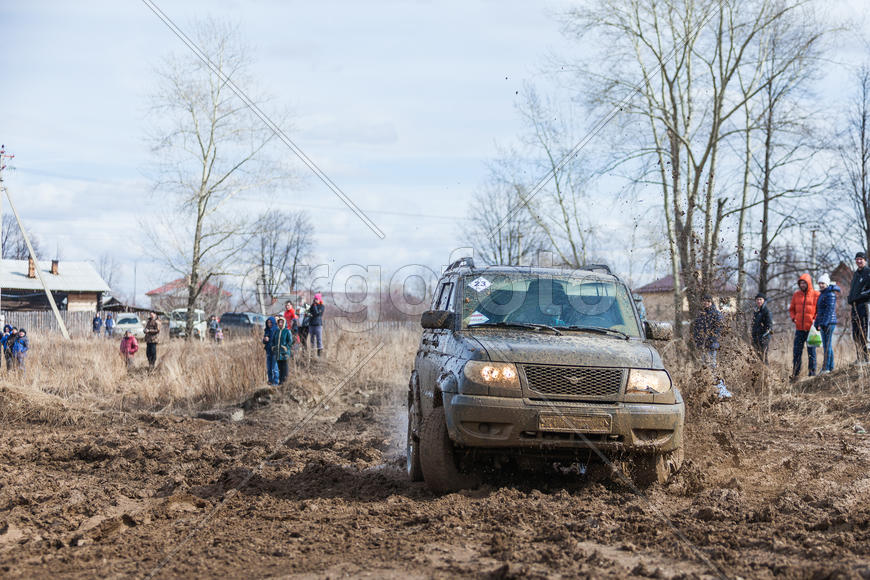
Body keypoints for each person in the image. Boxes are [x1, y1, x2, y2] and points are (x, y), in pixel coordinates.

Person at [789, 273, 819, 379]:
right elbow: (791, 309)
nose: (802, 285)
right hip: (799, 329)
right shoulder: (796, 295)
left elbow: (819, 310)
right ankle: (795, 374)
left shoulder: (816, 294)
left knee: (811, 352)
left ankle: (812, 374)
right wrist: (794, 318)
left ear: (808, 283)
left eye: (804, 283)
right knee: (796, 352)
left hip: (811, 329)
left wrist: (815, 320)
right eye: (800, 283)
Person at [815, 274, 841, 374]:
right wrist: (816, 323)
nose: (821, 285)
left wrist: (824, 323)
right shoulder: (822, 294)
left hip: (829, 323)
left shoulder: (830, 294)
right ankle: (830, 368)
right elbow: (820, 311)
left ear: (827, 283)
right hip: (823, 323)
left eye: (823, 283)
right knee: (826, 345)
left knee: (827, 345)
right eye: (820, 283)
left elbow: (829, 311)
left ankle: (826, 368)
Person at [848, 251, 870, 362]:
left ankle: (866, 357)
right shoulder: (856, 274)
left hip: (865, 305)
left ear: (865, 260)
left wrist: (863, 295)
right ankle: (860, 357)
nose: (859, 261)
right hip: (855, 306)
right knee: (855, 333)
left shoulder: (868, 272)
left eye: (861, 259)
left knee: (864, 331)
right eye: (857, 259)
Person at [692, 295, 723, 367]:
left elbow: (718, 328)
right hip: (702, 344)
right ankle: (708, 378)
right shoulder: (700, 314)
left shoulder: (716, 313)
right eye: (704, 301)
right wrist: (697, 339)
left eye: (708, 301)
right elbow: (696, 328)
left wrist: (711, 339)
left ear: (711, 302)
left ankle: (716, 378)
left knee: (712, 364)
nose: (706, 303)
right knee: (704, 365)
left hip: (712, 343)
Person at [751, 293, 773, 363]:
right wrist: (753, 335)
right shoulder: (756, 311)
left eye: (760, 299)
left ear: (764, 300)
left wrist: (763, 336)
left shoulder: (767, 311)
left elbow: (769, 326)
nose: (759, 301)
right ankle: (760, 372)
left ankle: (767, 372)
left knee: (763, 357)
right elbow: (754, 325)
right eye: (757, 299)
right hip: (756, 337)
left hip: (764, 338)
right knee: (757, 357)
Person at [272, 316, 294, 384]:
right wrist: (273, 347)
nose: (280, 323)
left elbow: (290, 342)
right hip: (278, 353)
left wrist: (286, 347)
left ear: (284, 323)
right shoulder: (276, 331)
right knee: (279, 368)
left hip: (285, 353)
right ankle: (280, 382)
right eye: (279, 322)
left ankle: (285, 382)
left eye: (282, 322)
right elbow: (273, 340)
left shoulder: (287, 331)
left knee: (285, 369)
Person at [262, 316, 279, 385]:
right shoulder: (266, 330)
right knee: (269, 368)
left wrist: (271, 340)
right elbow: (264, 341)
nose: (269, 324)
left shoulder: (276, 329)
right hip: (268, 351)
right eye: (268, 322)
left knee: (274, 368)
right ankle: (270, 381)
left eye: (270, 322)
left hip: (275, 351)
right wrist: (264, 340)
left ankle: (276, 382)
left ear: (273, 322)